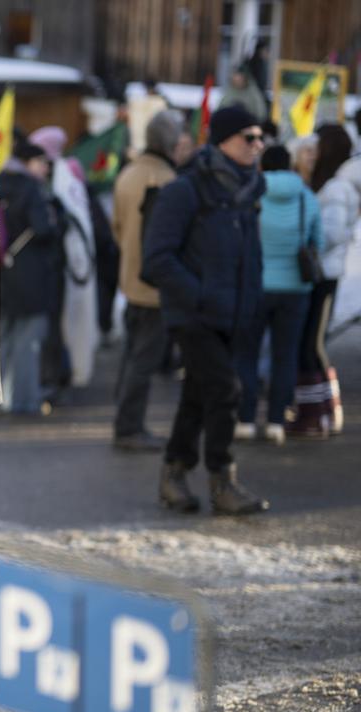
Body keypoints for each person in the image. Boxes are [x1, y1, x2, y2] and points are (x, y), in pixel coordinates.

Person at [143, 105, 269, 516]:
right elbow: (157, 258)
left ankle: (173, 474)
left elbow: (248, 258)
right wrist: (197, 296)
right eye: (249, 137)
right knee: (226, 389)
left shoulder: (249, 190)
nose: (258, 144)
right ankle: (223, 480)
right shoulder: (187, 189)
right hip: (193, 315)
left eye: (260, 136)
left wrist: (251, 304)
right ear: (223, 140)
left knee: (198, 396)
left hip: (232, 315)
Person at [111, 111, 188, 450]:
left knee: (132, 358)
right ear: (171, 142)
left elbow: (117, 228)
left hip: (130, 279)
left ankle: (125, 421)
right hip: (155, 286)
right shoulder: (168, 180)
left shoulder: (128, 174)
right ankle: (129, 428)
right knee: (143, 361)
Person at [235, 145, 320, 445]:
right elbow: (316, 241)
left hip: (256, 285)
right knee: (286, 356)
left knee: (246, 353)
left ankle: (245, 419)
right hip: (295, 289)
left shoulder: (252, 196)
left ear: (262, 167)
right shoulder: (307, 198)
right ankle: (275, 421)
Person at [295, 124, 358, 437]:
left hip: (325, 275)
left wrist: (306, 239)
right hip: (324, 273)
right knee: (311, 343)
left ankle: (321, 412)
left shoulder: (335, 188)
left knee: (313, 344)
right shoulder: (334, 185)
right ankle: (319, 412)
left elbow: (331, 234)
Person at [0, 141, 65, 416]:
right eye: (40, 162)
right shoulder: (31, 189)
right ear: (28, 162)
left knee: (2, 337)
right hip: (30, 274)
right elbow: (44, 229)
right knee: (28, 340)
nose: (45, 168)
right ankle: (23, 400)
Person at [29, 125, 98, 392]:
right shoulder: (69, 175)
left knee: (57, 325)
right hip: (69, 264)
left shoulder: (59, 179)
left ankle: (57, 375)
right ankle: (64, 372)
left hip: (58, 266)